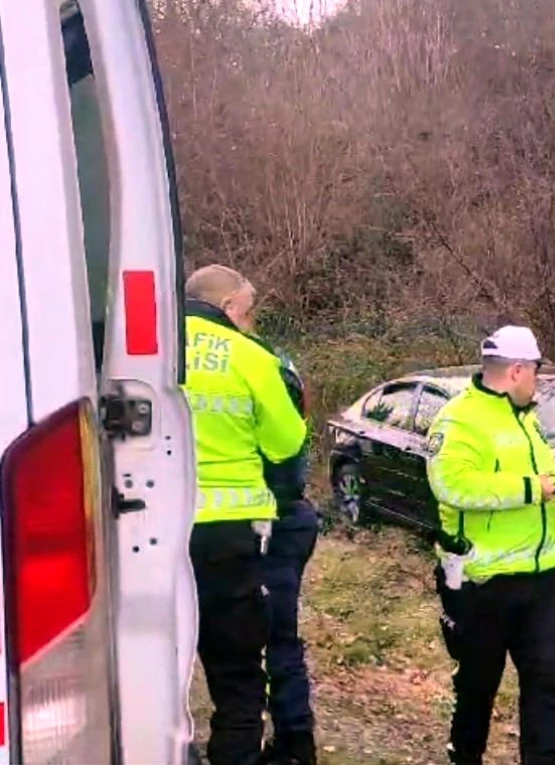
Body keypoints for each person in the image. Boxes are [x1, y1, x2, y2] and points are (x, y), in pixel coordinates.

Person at [425, 325, 555, 765]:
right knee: (477, 687)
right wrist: (535, 488)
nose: (538, 380)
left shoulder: (527, 419)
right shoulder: (458, 419)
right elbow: (453, 485)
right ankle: (465, 755)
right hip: (482, 583)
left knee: (549, 687)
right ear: (517, 370)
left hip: (540, 579)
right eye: (535, 370)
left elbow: (540, 481)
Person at [183, 264, 308, 765]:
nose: (250, 320)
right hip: (231, 538)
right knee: (237, 680)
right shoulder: (250, 356)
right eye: (248, 310)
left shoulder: (144, 350)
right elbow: (287, 442)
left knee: (150, 671)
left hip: (149, 530)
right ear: (230, 306)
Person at [258, 351, 320, 765]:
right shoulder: (277, 367)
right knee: (279, 638)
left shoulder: (261, 369)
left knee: (266, 640)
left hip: (269, 523)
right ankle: (294, 741)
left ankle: (292, 743)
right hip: (289, 519)